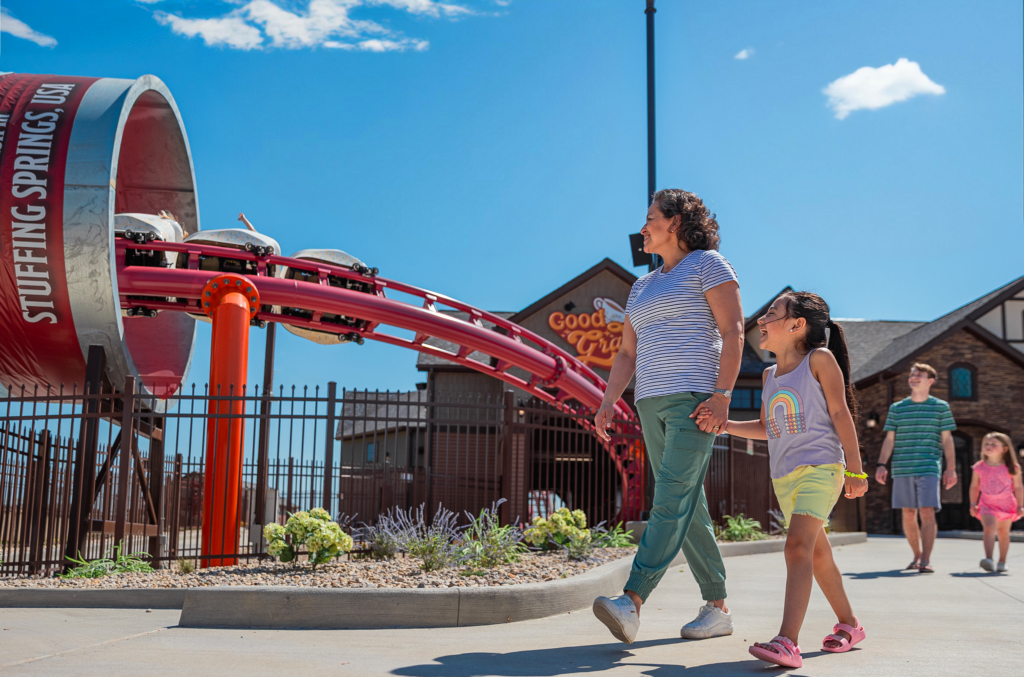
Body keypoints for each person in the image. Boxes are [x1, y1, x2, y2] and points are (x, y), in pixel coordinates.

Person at [591, 189, 744, 644]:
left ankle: (632, 600)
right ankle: (717, 609)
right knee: (687, 502)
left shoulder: (709, 264)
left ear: (676, 222)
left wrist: (722, 395)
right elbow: (625, 353)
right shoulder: (642, 285)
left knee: (670, 497)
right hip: (650, 402)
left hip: (695, 398)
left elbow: (733, 330)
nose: (643, 228)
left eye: (651, 219)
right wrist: (607, 401)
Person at [696, 292, 868, 668]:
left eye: (771, 313)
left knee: (796, 548)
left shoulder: (819, 360)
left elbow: (841, 412)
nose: (762, 319)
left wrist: (855, 468)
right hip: (785, 477)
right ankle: (851, 624)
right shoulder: (769, 375)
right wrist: (725, 427)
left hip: (821, 468)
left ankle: (787, 641)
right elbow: (767, 427)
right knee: (817, 553)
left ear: (796, 325)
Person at [874, 363, 958, 573]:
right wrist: (881, 464)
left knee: (927, 511)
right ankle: (917, 555)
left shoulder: (941, 407)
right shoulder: (897, 408)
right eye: (912, 374)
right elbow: (889, 440)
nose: (913, 377)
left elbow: (947, 440)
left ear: (930, 380)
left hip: (929, 466)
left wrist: (951, 468)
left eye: (919, 374)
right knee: (908, 513)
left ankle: (926, 559)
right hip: (902, 467)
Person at [970, 432, 1024, 572]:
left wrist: (1020, 505)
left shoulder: (1013, 468)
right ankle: (988, 559)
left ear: (1005, 449)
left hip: (1006, 505)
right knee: (989, 527)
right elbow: (974, 486)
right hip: (987, 504)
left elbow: (1018, 487)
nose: (989, 446)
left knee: (1003, 533)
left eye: (993, 444)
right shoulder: (979, 467)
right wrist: (972, 503)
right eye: (986, 444)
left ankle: (1002, 561)